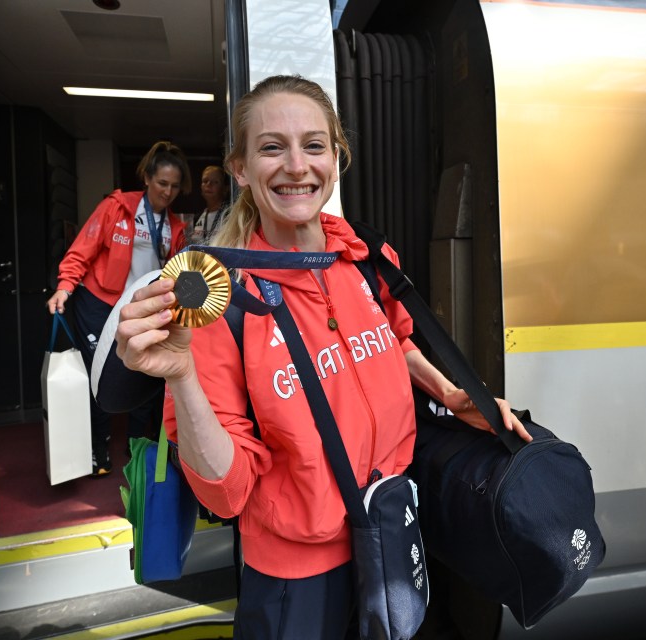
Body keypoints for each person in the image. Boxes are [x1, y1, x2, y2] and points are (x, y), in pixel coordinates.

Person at [113, 76, 531, 638]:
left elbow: (394, 338)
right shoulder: (221, 300)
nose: (296, 165)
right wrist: (182, 377)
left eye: (314, 145)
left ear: (337, 156)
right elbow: (227, 491)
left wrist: (449, 394)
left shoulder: (364, 255)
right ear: (240, 168)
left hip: (390, 528)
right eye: (271, 147)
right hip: (298, 577)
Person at [47, 140, 191, 476]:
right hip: (100, 303)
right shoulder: (118, 207)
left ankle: (136, 448)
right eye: (161, 184)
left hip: (142, 308)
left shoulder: (175, 227)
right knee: (101, 378)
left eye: (173, 186)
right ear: (147, 179)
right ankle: (98, 451)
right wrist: (65, 286)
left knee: (143, 374)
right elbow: (84, 248)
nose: (167, 192)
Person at [187, 165, 230, 245]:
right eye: (205, 181)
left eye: (215, 182)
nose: (209, 184)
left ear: (225, 189)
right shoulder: (197, 218)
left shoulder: (229, 216)